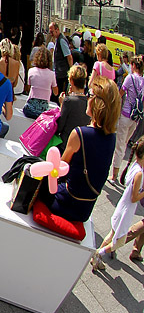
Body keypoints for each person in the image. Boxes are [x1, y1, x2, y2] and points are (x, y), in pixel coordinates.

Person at [37, 76, 120, 223]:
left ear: (96, 102)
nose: (87, 98)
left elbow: (58, 170)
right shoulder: (111, 137)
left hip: (65, 203)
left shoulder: (80, 134)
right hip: (85, 210)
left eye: (89, 95)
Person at [91, 138, 144, 271]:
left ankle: (96, 258)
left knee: (111, 235)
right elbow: (134, 198)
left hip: (123, 207)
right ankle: (98, 253)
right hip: (126, 210)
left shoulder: (135, 166)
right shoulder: (139, 173)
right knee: (119, 241)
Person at [113, 56, 144, 182]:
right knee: (124, 144)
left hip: (125, 115)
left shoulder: (129, 78)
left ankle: (114, 175)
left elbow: (119, 94)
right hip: (135, 118)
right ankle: (117, 171)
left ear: (134, 66)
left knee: (120, 145)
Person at [55, 64, 91, 150]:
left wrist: (61, 104)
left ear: (71, 81)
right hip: (80, 145)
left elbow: (59, 127)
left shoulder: (68, 101)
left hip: (65, 145)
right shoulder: (89, 102)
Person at [23, 47, 58, 119]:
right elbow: (56, 92)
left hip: (30, 108)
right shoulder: (52, 74)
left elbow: (28, 88)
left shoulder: (31, 71)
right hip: (43, 110)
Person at [49, 22, 73, 96]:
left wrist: (71, 70)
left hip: (62, 74)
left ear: (57, 30)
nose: (51, 34)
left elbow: (69, 56)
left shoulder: (61, 40)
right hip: (59, 72)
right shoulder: (57, 39)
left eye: (52, 32)